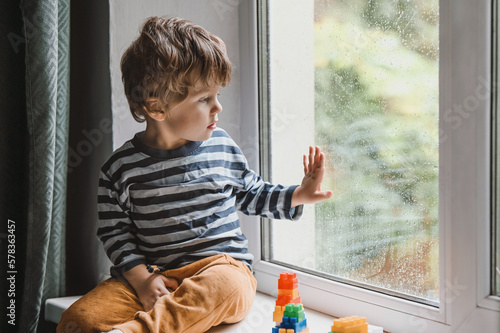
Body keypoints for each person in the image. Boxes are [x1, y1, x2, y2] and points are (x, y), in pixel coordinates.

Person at [57, 16, 332, 333]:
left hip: (220, 268)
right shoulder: (120, 169)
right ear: (157, 107)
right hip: (152, 276)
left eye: (217, 96)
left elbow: (251, 193)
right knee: (78, 321)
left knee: (227, 286)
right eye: (205, 99)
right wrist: (144, 280)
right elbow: (115, 235)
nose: (218, 108)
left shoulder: (221, 147)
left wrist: (300, 194)